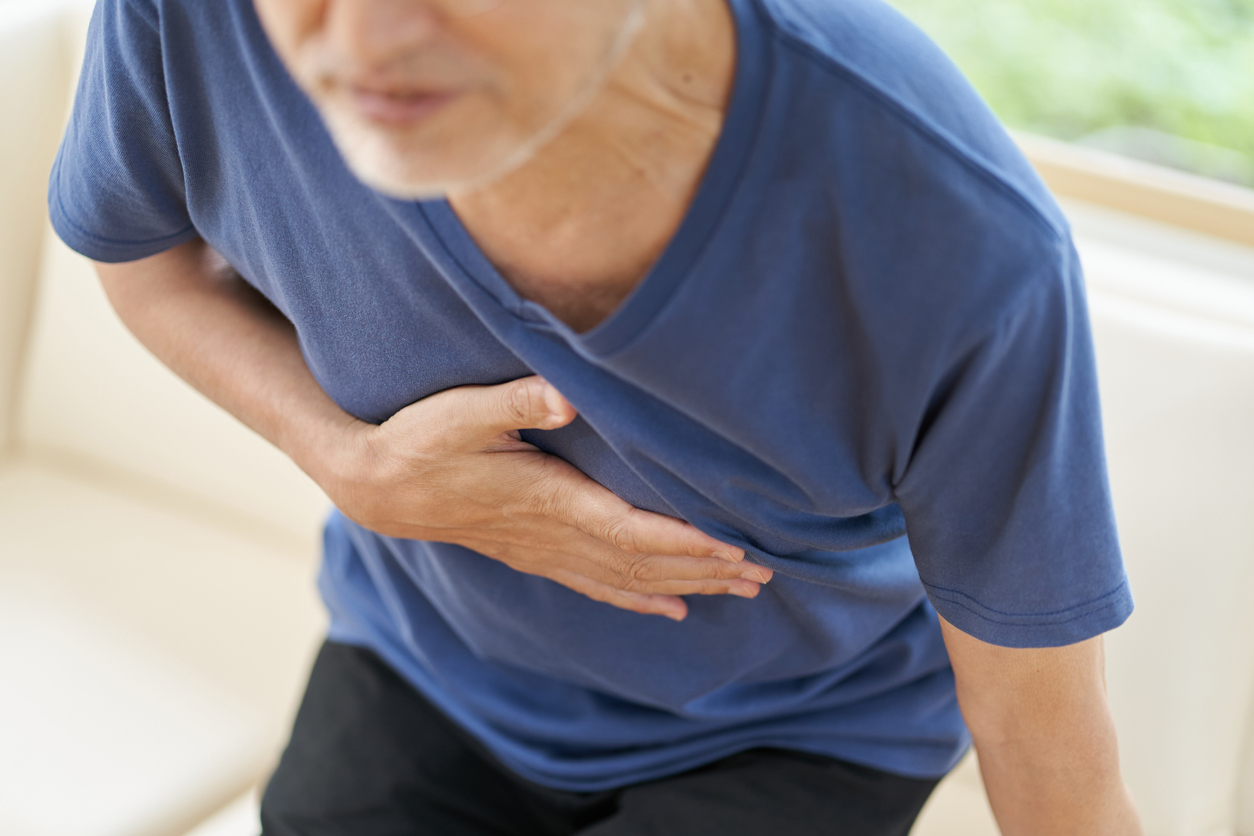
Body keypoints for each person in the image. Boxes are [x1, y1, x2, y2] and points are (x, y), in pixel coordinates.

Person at [50, 0, 1144, 833]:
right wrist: (352, 465)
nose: (366, 39)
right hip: (426, 653)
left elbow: (1041, 736)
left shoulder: (959, 241)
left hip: (798, 729)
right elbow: (144, 260)